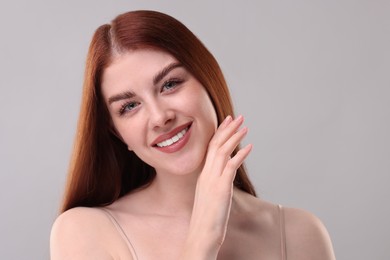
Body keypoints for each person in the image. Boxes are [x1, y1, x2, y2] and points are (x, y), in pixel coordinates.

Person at [50, 10, 336, 260]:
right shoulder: (85, 232)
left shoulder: (299, 233)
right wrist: (203, 238)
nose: (160, 117)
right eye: (130, 106)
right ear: (117, 132)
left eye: (170, 84)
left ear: (208, 80)